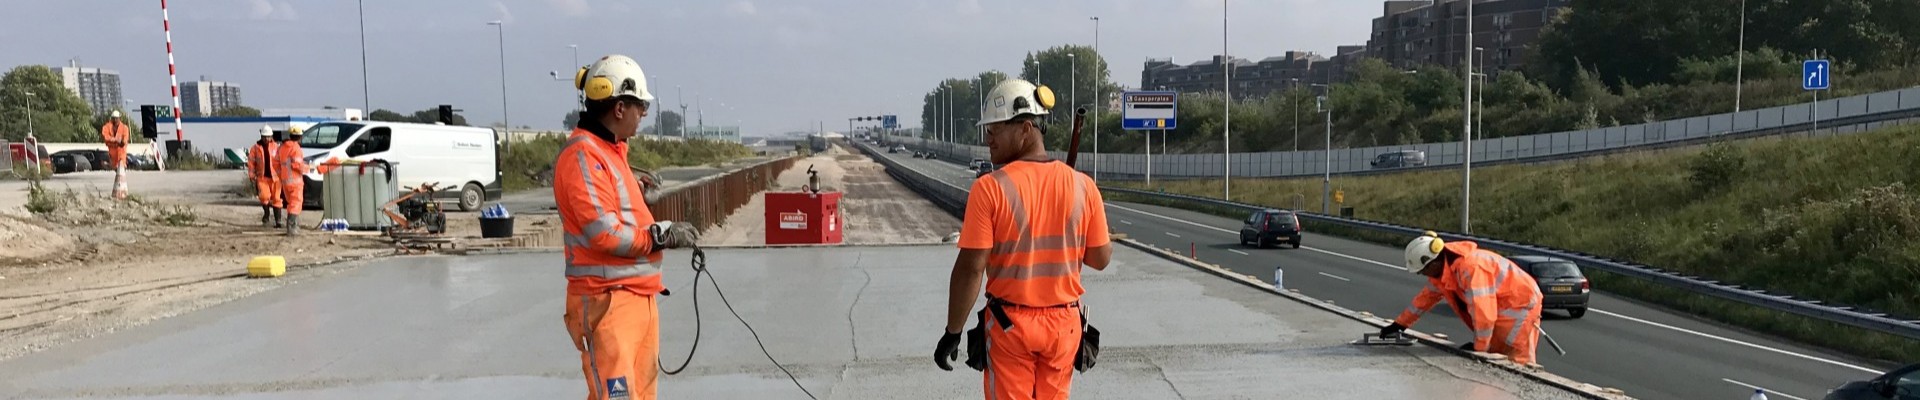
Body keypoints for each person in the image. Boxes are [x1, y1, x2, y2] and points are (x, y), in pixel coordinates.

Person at [935, 79, 1112, 400]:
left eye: (995, 130)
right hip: (1064, 326)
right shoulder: (1083, 187)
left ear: (1026, 128)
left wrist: (953, 331)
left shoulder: (990, 189)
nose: (987, 139)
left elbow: (971, 269)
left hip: (1010, 327)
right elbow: (1100, 259)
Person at [555, 54, 700, 400]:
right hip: (606, 300)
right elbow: (603, 233)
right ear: (619, 108)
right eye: (640, 106)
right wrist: (660, 235)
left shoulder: (612, 151)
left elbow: (615, 209)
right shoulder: (583, 157)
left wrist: (640, 192)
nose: (645, 114)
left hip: (635, 298)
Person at [1379, 232, 1546, 367]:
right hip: (1505, 305)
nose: (1423, 275)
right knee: (1496, 357)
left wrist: (1478, 349)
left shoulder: (1471, 267)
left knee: (1518, 361)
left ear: (1433, 263)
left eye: (1423, 271)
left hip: (1521, 306)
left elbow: (1484, 315)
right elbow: (1424, 299)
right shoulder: (1444, 271)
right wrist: (1400, 324)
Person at [274, 126, 308, 236]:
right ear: (300, 136)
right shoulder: (296, 148)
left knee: (290, 204)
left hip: (285, 181)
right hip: (295, 182)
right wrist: (308, 169)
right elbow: (297, 165)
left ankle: (293, 226)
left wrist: (281, 175)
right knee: (296, 203)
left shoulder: (282, 147)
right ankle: (292, 228)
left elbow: (275, 163)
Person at [246, 125, 282, 227]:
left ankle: (278, 221)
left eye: (268, 136)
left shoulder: (276, 147)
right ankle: (266, 214)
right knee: (264, 197)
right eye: (264, 136)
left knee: (277, 198)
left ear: (271, 136)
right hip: (262, 177)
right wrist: (252, 175)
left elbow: (282, 162)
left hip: (276, 178)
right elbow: (251, 163)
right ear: (261, 136)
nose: (266, 139)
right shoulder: (255, 148)